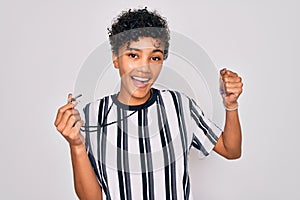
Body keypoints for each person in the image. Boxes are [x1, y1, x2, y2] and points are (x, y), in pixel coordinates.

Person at [54, 7, 243, 200]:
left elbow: (231, 150)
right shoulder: (94, 115)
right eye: (133, 55)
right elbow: (92, 198)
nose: (145, 69)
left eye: (155, 58)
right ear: (115, 58)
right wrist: (76, 145)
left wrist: (231, 104)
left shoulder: (180, 105)